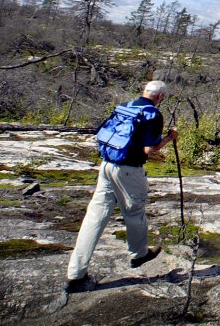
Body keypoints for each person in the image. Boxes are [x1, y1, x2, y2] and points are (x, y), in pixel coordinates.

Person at [65, 80, 178, 293]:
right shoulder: (152, 114)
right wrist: (170, 138)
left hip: (106, 166)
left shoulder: (125, 106)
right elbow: (150, 149)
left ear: (144, 91)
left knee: (94, 218)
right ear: (160, 96)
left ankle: (75, 274)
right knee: (134, 212)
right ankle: (138, 255)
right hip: (128, 169)